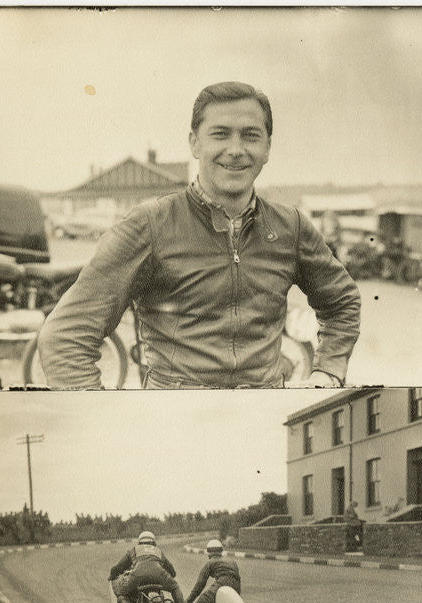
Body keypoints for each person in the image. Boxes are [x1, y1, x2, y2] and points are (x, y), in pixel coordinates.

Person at [38, 81, 361, 390]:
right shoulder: (150, 225)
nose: (235, 150)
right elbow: (65, 337)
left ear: (267, 148)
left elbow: (343, 302)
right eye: (220, 135)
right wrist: (101, 417)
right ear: (195, 143)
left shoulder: (290, 227)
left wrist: (329, 371)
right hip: (173, 420)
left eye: (250, 136)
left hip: (260, 415)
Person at [109, 531, 190, 603]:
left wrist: (112, 575)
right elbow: (171, 570)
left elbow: (118, 567)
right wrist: (170, 577)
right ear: (154, 542)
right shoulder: (158, 551)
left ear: (139, 542)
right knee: (175, 587)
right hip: (159, 575)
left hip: (138, 576)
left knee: (121, 593)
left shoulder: (134, 550)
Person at [184, 539, 242, 603]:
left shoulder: (210, 562)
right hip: (236, 588)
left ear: (209, 552)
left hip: (223, 583)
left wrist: (188, 601)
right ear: (221, 550)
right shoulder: (232, 561)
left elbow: (199, 585)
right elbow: (237, 579)